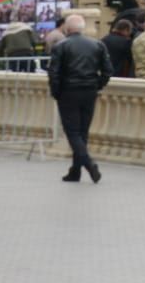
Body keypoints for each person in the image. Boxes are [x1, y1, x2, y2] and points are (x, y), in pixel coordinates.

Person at [47, 13, 112, 183]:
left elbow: (54, 73)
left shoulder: (61, 46)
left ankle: (89, 164)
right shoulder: (97, 44)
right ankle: (75, 171)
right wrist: (98, 85)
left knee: (73, 132)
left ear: (67, 29)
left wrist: (56, 92)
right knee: (82, 132)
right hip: (89, 91)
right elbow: (107, 70)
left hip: (68, 91)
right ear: (82, 28)